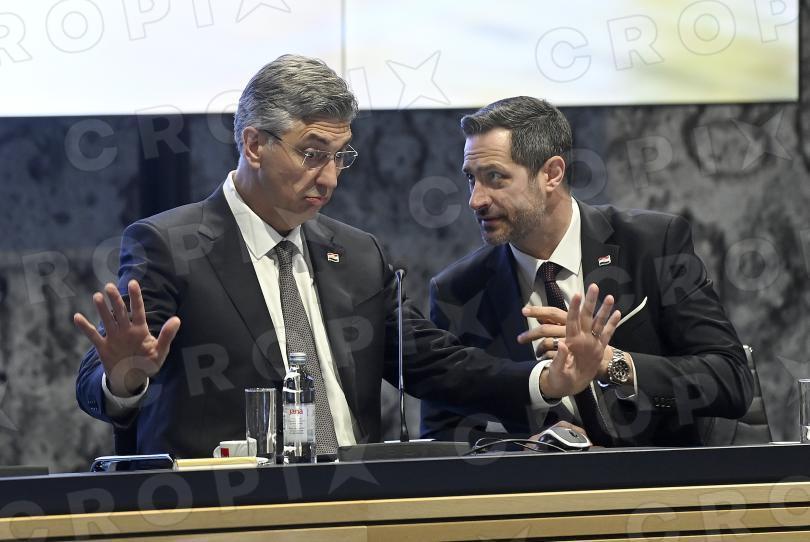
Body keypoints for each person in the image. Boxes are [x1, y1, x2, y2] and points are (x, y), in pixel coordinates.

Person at [74, 57, 620, 459]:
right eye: (313, 154)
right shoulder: (170, 244)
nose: (330, 178)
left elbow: (437, 365)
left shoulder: (357, 253)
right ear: (254, 145)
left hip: (352, 503)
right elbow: (101, 379)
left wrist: (546, 381)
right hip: (225, 511)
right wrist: (123, 378)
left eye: (340, 157)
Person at [421, 96, 754, 447]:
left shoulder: (653, 244)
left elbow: (731, 379)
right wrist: (524, 449)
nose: (476, 200)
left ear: (552, 174)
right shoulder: (459, 290)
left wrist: (612, 363)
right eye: (471, 178)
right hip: (534, 482)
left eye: (495, 177)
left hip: (657, 475)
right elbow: (441, 433)